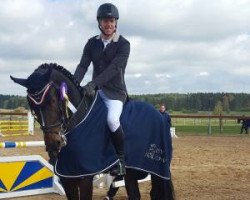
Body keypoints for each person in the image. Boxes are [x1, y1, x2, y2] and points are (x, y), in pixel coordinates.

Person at [74, 3, 130, 176]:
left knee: (112, 120)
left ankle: (121, 160)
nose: (108, 24)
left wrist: (94, 84)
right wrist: (74, 84)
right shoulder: (92, 43)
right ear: (99, 22)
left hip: (115, 93)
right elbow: (83, 65)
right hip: (95, 91)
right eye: (105, 21)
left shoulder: (123, 44)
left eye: (111, 21)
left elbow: (114, 69)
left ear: (116, 23)